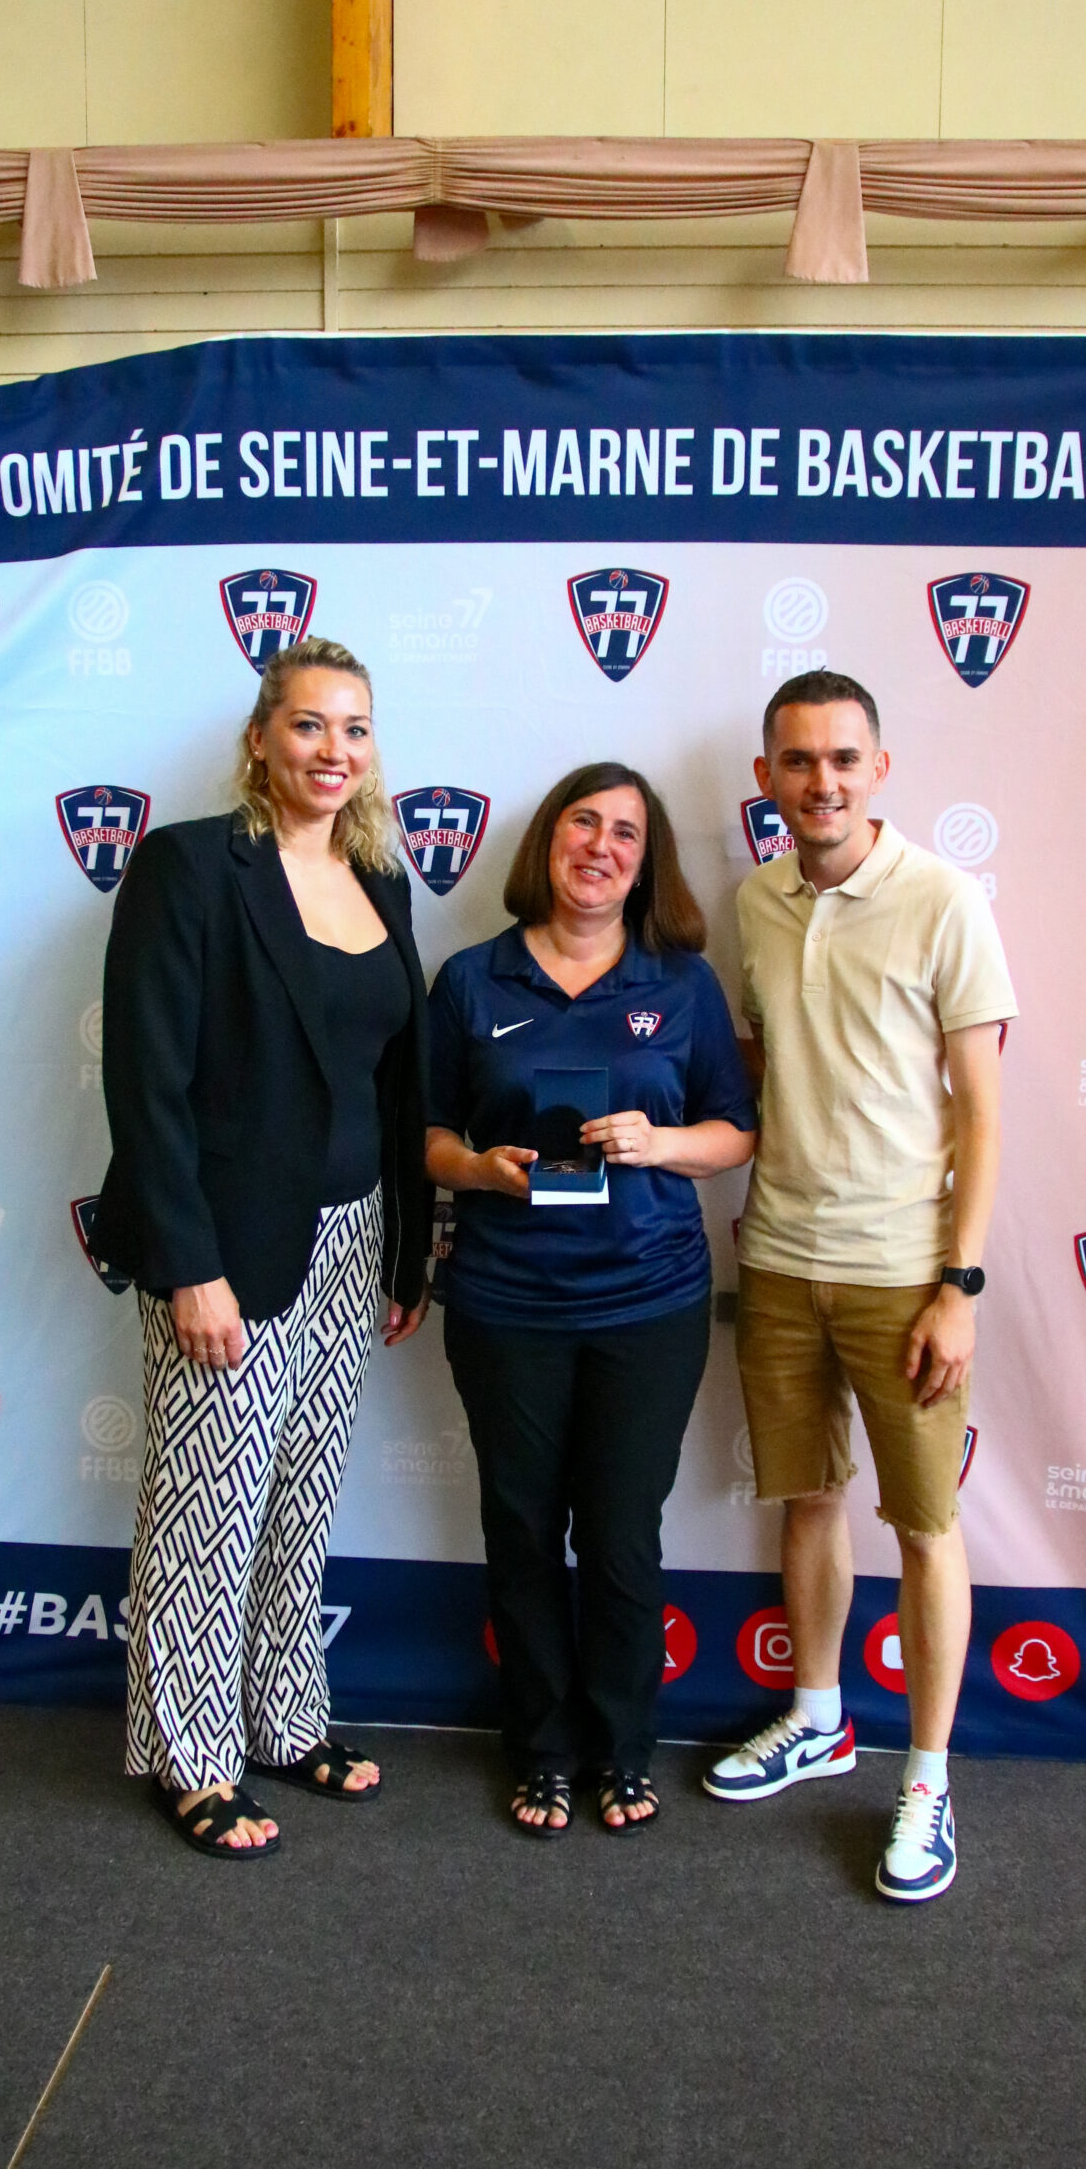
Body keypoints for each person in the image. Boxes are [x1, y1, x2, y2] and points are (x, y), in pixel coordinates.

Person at [94, 638, 431, 1857]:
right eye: (308, 725)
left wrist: (405, 1253)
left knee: (301, 1491)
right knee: (211, 1503)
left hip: (350, 1235)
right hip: (227, 1243)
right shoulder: (189, 866)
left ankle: (285, 1718)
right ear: (259, 738)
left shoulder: (381, 877)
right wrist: (191, 1266)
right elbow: (147, 1085)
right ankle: (191, 1757)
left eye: (355, 728)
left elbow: (394, 1082)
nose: (335, 750)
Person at [703, 670, 1015, 1905]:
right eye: (797, 760)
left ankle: (928, 1780)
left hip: (905, 1274)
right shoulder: (755, 901)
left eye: (843, 758)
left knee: (926, 1528)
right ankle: (820, 1716)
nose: (820, 781)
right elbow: (761, 1068)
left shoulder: (944, 899)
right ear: (766, 779)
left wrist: (961, 1284)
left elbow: (983, 1111)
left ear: (879, 768)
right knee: (810, 1502)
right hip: (781, 1258)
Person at [426, 764, 757, 1838]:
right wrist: (482, 1171)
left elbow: (735, 1133)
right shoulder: (471, 979)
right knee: (523, 1530)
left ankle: (621, 1749)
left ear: (646, 863)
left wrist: (660, 1143)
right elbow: (428, 1137)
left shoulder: (683, 984)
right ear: (548, 840)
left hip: (647, 1304)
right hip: (506, 1301)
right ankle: (541, 1751)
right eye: (584, 823)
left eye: (626, 833)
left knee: (619, 1536)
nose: (601, 847)